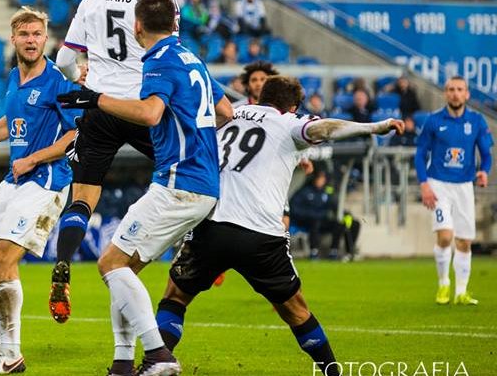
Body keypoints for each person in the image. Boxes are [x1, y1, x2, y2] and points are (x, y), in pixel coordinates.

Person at [155, 76, 403, 376]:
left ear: (260, 96)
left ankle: (157, 362)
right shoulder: (288, 124)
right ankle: (332, 371)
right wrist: (374, 127)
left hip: (211, 225)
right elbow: (324, 128)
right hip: (260, 236)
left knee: (175, 298)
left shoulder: (231, 116)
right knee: (296, 311)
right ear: (293, 107)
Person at [57, 0, 232, 376]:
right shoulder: (192, 58)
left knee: (110, 264)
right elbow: (226, 111)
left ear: (137, 27)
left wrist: (96, 99)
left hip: (178, 183)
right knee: (123, 269)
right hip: (205, 183)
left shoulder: (159, 60)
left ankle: (158, 355)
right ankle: (121, 363)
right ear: (174, 24)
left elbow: (150, 114)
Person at [49, 0, 178, 323]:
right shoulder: (159, 0)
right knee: (183, 174)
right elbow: (169, 58)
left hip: (97, 107)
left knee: (83, 197)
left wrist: (83, 77)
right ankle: (190, 249)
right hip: (141, 107)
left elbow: (66, 62)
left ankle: (63, 263)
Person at [0, 7, 79, 374]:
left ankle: (11, 355)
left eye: (37, 34)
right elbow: (12, 122)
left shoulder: (59, 80)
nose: (31, 40)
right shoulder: (14, 77)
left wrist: (35, 159)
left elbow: (74, 135)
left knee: (2, 259)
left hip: (47, 179)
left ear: (46, 39)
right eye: (24, 34)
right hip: (16, 179)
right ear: (13, 39)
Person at [415, 76, 493, 306]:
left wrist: (484, 171)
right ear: (445, 93)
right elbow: (420, 154)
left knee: (464, 242)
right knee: (445, 235)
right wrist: (424, 184)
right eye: (451, 89)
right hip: (438, 184)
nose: (455, 93)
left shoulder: (477, 121)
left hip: (464, 186)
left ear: (467, 94)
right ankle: (443, 284)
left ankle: (461, 291)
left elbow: (486, 154)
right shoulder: (433, 120)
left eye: (459, 89)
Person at [290, 171, 360, 259]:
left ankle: (335, 252)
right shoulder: (304, 192)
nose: (321, 181)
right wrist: (312, 215)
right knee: (315, 222)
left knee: (340, 224)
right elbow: (295, 209)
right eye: (319, 178)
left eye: (323, 178)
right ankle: (314, 252)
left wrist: (346, 215)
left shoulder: (326, 192)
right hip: (307, 221)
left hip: (323, 220)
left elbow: (335, 206)